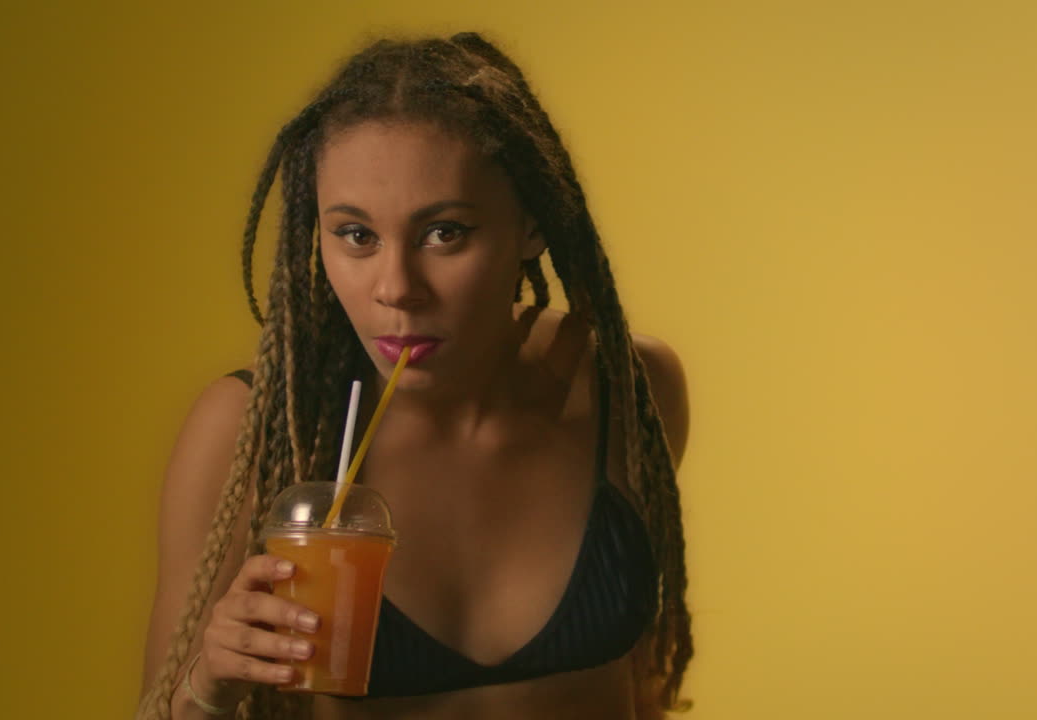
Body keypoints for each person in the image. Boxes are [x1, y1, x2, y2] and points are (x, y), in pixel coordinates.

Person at [137, 33, 692, 720]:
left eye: (444, 232)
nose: (396, 288)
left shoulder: (627, 389)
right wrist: (210, 685)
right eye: (357, 235)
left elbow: (636, 687)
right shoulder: (253, 432)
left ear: (531, 225)